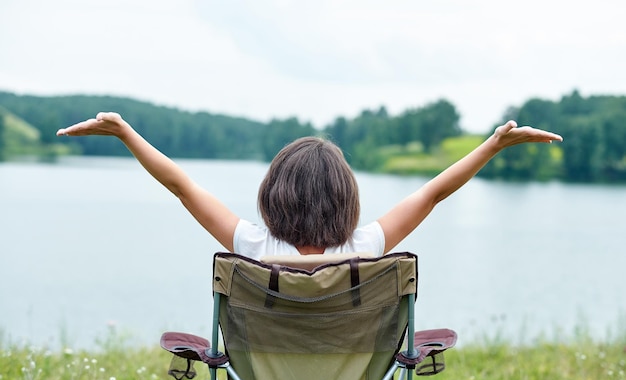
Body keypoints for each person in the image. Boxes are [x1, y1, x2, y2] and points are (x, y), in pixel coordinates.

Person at [57, 112, 562, 259]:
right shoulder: (367, 248)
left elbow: (182, 186)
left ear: (274, 194)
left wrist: (125, 133)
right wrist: (492, 145)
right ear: (346, 198)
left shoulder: (254, 247)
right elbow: (432, 192)